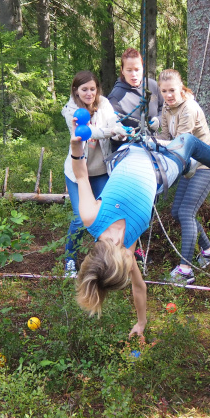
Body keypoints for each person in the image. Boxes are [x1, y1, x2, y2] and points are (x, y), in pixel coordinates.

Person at [70, 131, 210, 338]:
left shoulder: (91, 217)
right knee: (188, 141)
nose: (129, 261)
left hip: (129, 154)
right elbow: (139, 288)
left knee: (138, 126)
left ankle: (188, 164)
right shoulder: (127, 252)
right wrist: (141, 322)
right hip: (160, 171)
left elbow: (81, 175)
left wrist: (76, 147)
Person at [155, 69, 210, 285]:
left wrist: (157, 144)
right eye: (164, 91)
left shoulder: (189, 108)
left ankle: (185, 270)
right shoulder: (167, 108)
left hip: (205, 165)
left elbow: (180, 143)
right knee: (177, 212)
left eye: (172, 90)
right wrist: (150, 138)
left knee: (186, 212)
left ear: (181, 87)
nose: (168, 95)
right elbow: (165, 137)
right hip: (188, 167)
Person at [61, 71, 125, 277]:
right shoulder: (70, 110)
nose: (89, 93)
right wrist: (111, 130)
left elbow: (114, 123)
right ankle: (70, 260)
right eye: (84, 89)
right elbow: (86, 133)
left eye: (92, 89)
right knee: (81, 218)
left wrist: (119, 129)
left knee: (105, 217)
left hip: (101, 171)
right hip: (78, 173)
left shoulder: (104, 104)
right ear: (76, 91)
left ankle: (103, 260)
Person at [107, 48, 163, 151]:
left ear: (143, 68)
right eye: (129, 70)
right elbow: (111, 127)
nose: (134, 74)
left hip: (154, 143)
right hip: (129, 149)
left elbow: (164, 108)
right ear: (122, 71)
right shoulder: (115, 98)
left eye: (137, 69)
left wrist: (159, 120)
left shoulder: (152, 86)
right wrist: (122, 133)